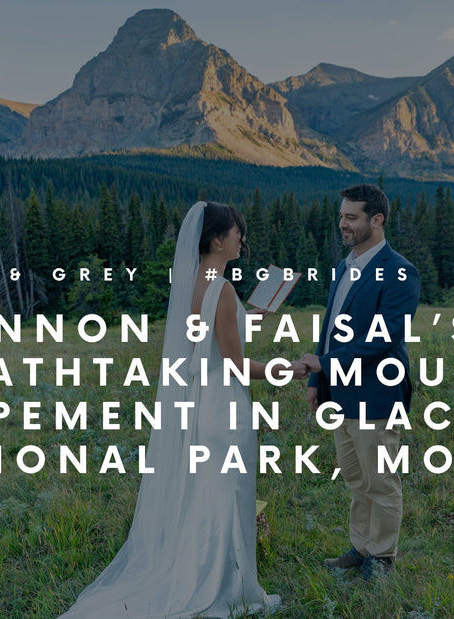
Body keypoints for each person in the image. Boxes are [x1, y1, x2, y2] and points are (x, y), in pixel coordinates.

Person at [62, 201, 289, 618]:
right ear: (218, 240)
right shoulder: (222, 288)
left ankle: (201, 575)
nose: (243, 239)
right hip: (224, 406)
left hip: (201, 405)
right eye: (238, 232)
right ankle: (225, 588)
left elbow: (209, 337)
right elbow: (236, 363)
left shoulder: (195, 282)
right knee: (227, 496)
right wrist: (287, 369)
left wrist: (249, 317)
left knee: (206, 496)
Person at [300, 184, 420, 581]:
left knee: (380, 479)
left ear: (377, 220)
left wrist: (324, 362)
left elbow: (382, 338)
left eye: (351, 217)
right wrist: (318, 379)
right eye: (341, 216)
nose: (342, 224)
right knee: (354, 476)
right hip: (339, 391)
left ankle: (383, 558)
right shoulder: (343, 267)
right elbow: (330, 325)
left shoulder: (401, 271)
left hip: (377, 393)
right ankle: (361, 547)